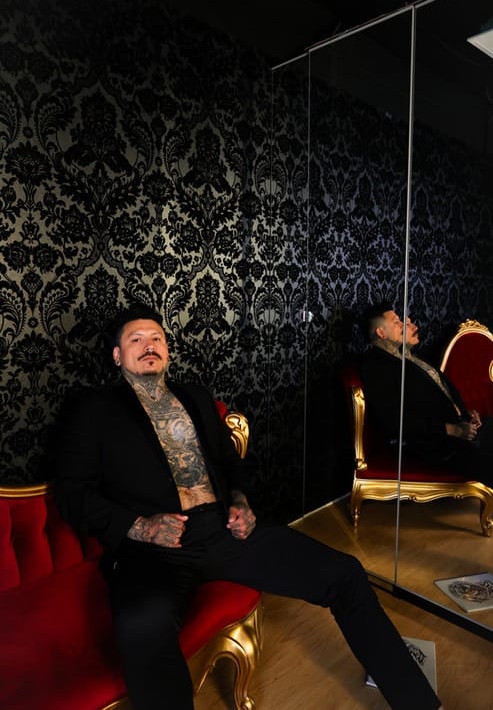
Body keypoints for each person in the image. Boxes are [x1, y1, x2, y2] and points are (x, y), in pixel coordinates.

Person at [55, 304, 443, 710]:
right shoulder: (94, 410)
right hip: (153, 549)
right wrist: (141, 526)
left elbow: (232, 463)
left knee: (346, 574)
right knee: (140, 625)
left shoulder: (195, 397)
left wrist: (241, 501)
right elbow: (72, 493)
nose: (149, 346)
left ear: (167, 349)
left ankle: (420, 703)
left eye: (157, 338)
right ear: (118, 355)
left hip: (223, 531)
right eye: (136, 340)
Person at [360, 302, 493, 484]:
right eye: (397, 322)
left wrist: (466, 414)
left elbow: (439, 395)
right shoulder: (376, 367)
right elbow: (395, 420)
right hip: (436, 445)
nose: (406, 325)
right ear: (381, 333)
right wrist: (453, 430)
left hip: (460, 430)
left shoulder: (410, 358)